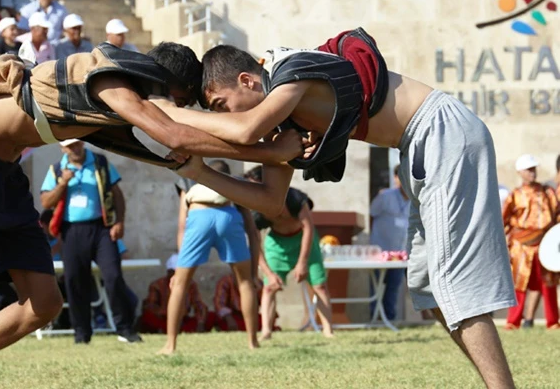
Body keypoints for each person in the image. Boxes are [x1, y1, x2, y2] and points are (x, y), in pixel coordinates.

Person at [0, 40, 305, 388]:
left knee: (43, 303)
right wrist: (271, 148)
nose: (178, 108)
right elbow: (175, 131)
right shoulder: (111, 81)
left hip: (5, 173)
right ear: (162, 82)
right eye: (180, 99)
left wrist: (274, 157)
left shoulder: (123, 113)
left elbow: (186, 145)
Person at [161, 29, 517, 388]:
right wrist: (200, 172)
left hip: (439, 130)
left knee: (452, 284)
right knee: (429, 288)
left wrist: (164, 115)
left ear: (246, 80)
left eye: (222, 105)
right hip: (419, 145)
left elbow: (244, 131)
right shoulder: (283, 122)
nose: (226, 118)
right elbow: (269, 201)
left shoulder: (289, 72)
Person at [40, 138, 141, 344]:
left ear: (82, 144)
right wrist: (63, 183)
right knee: (75, 281)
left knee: (113, 275)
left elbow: (118, 195)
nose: (75, 149)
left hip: (101, 228)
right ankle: (82, 333)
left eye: (77, 144)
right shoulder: (57, 169)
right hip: (72, 231)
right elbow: (46, 201)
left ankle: (125, 329)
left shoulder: (100, 162)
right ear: (62, 148)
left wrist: (119, 222)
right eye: (70, 146)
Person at [159, 160, 261, 355]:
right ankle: (252, 342)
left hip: (199, 217)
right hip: (229, 218)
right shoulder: (235, 185)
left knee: (180, 284)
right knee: (245, 283)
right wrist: (253, 273)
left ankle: (170, 345)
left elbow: (182, 226)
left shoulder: (188, 181)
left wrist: (180, 267)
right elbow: (252, 231)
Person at [242, 166, 333, 339]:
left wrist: (302, 262)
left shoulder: (294, 197)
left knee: (319, 285)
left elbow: (308, 228)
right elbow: (254, 242)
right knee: (269, 287)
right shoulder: (256, 212)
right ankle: (267, 330)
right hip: (277, 244)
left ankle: (328, 329)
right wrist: (268, 272)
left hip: (304, 240)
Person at [502, 154, 560, 330]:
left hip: (544, 243)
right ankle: (513, 321)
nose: (532, 173)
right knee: (520, 283)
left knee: (547, 283)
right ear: (520, 172)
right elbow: (503, 219)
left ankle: (553, 321)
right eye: (528, 169)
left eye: (534, 169)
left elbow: (556, 214)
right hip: (521, 246)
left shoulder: (547, 192)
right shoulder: (515, 195)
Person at [368, 165, 410, 321]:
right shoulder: (385, 196)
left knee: (393, 287)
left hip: (400, 253)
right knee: (376, 285)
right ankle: (375, 318)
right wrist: (372, 242)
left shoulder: (415, 200)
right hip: (380, 250)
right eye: (400, 176)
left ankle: (390, 319)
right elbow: (372, 215)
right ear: (396, 178)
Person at [139, 254, 214, 334]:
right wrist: (168, 313)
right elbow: (150, 305)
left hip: (183, 321)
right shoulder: (157, 285)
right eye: (174, 272)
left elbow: (198, 304)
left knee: (211, 316)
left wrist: (200, 322)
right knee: (147, 317)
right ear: (168, 272)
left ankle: (182, 329)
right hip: (163, 319)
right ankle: (164, 329)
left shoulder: (190, 284)